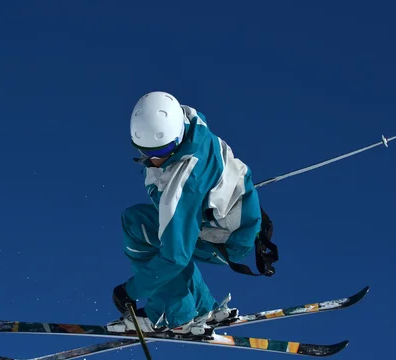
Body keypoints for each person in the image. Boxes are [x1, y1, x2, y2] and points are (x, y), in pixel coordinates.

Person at [107, 91, 273, 337]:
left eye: (165, 149)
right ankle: (203, 309)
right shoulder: (190, 122)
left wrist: (129, 291)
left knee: (140, 227)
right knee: (166, 231)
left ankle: (172, 316)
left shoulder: (183, 186)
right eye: (146, 152)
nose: (154, 159)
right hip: (241, 222)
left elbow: (175, 256)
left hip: (229, 239)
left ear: (175, 138)